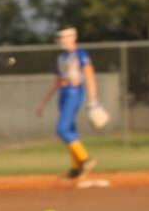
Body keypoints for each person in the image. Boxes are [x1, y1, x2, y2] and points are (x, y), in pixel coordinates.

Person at [35, 26, 102, 179]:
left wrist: (93, 101)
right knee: (70, 130)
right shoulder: (61, 58)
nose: (62, 40)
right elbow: (56, 82)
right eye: (60, 37)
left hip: (75, 91)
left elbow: (90, 77)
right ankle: (77, 167)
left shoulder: (80, 54)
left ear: (73, 37)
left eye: (65, 37)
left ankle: (85, 159)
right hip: (63, 93)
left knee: (62, 129)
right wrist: (43, 103)